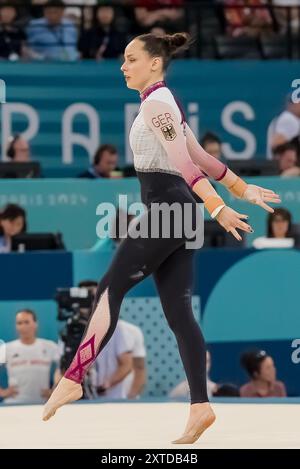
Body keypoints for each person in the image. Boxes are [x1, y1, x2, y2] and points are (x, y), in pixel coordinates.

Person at [43, 32, 280, 444]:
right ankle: (200, 407)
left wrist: (219, 208)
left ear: (155, 62)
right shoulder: (163, 103)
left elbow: (187, 166)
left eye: (131, 58)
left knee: (107, 291)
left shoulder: (156, 104)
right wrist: (243, 189)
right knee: (178, 311)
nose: (123, 66)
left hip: (169, 208)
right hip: (178, 210)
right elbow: (203, 158)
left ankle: (74, 375)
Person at [0, 309, 60, 404]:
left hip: (43, 403)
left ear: (35, 324)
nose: (23, 326)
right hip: (13, 404)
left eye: (26, 322)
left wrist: (55, 390)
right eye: (19, 323)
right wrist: (2, 392)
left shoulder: (49, 346)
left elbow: (63, 368)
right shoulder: (7, 348)